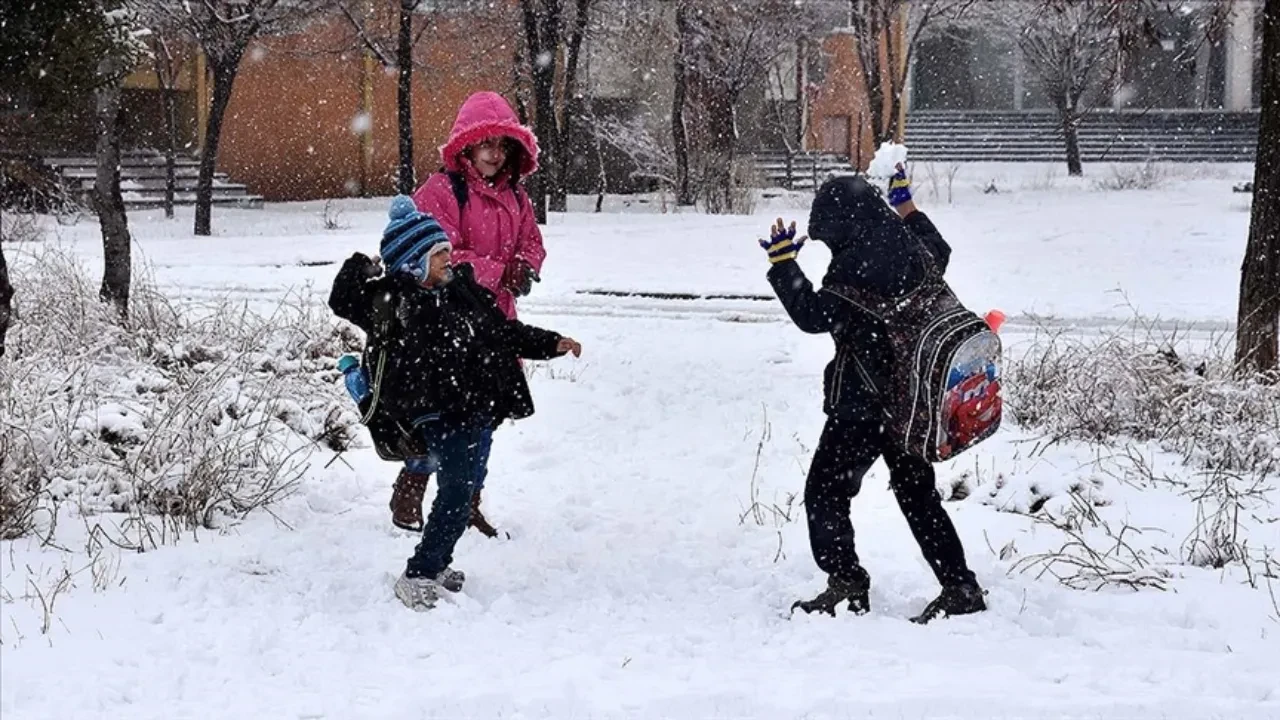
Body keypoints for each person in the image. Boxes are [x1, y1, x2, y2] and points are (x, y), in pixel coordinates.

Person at [328, 196, 581, 611]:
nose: (448, 258)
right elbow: (343, 299)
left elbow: (505, 331)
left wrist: (551, 343)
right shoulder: (393, 301)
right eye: (438, 253)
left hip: (475, 404)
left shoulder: (464, 292)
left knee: (462, 490)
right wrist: (363, 265)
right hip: (435, 410)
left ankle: (437, 561)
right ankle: (419, 573)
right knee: (457, 492)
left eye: (446, 250)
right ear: (413, 262)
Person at [761, 166, 985, 624]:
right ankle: (960, 587)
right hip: (911, 402)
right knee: (918, 496)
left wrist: (784, 265)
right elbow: (939, 247)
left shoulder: (855, 268)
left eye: (829, 237)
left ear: (845, 225)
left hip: (862, 407)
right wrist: (907, 206)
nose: (829, 247)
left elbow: (814, 315)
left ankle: (846, 585)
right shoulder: (911, 247)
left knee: (824, 492)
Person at [386, 91, 546, 538]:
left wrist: (527, 266)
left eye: (502, 144)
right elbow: (439, 256)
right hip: (448, 325)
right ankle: (414, 483)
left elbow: (532, 241)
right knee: (441, 413)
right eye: (486, 143)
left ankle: (467, 501)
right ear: (466, 146)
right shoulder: (442, 191)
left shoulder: (517, 196)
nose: (495, 153)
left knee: (488, 415)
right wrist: (498, 270)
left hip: (496, 323)